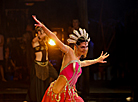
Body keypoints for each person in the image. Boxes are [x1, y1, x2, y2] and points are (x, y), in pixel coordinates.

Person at [32, 15, 109, 102]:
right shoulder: (69, 52)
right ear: (76, 47)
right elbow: (55, 39)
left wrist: (97, 60)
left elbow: (83, 63)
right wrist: (44, 27)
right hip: (58, 94)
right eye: (82, 47)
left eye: (86, 46)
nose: (85, 49)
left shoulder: (77, 60)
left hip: (70, 95)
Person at [26, 25, 58, 102]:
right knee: (38, 85)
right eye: (43, 32)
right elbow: (37, 39)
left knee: (56, 75)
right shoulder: (35, 41)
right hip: (38, 65)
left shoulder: (46, 41)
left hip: (46, 64)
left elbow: (55, 33)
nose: (44, 33)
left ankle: (52, 93)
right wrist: (48, 33)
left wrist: (50, 34)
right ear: (39, 32)